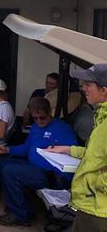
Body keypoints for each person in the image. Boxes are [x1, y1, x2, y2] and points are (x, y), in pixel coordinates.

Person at [0, 97, 78, 227]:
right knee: (2, 163)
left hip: (50, 174)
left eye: (42, 117)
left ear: (49, 112)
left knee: (10, 171)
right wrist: (8, 149)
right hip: (33, 167)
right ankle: (18, 204)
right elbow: (27, 148)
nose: (39, 121)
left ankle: (21, 215)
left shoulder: (62, 128)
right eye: (35, 118)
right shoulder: (35, 127)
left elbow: (73, 153)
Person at [46, 64, 107, 231]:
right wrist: (67, 149)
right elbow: (96, 155)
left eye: (89, 84)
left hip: (98, 210)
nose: (83, 88)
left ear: (104, 90)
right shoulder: (101, 116)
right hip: (88, 205)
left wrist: (92, 186)